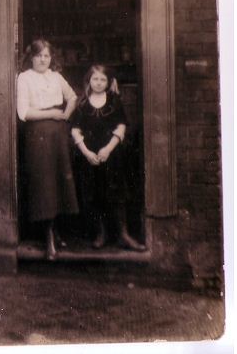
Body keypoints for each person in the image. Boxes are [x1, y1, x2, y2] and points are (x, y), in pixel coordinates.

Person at [70, 64, 146, 251]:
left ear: (109, 82)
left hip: (111, 155)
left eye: (103, 79)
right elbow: (75, 130)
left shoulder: (114, 101)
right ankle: (101, 233)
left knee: (116, 193)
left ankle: (123, 234)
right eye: (95, 79)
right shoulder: (83, 103)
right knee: (94, 194)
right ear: (89, 80)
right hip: (90, 156)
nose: (98, 83)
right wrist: (87, 153)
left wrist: (108, 149)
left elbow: (121, 126)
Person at [16, 38, 79, 260]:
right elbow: (23, 112)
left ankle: (58, 230)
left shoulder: (56, 77)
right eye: (39, 55)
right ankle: (48, 236)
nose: (43, 60)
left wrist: (65, 114)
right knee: (44, 184)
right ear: (31, 57)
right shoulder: (24, 78)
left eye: (46, 56)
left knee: (60, 180)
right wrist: (52, 114)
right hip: (37, 134)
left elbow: (72, 97)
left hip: (58, 133)